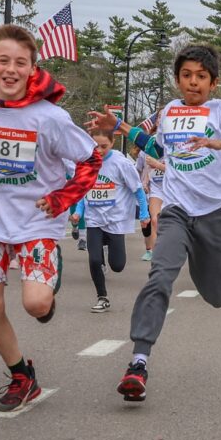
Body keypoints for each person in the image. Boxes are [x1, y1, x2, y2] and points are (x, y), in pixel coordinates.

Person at [86, 44, 221, 403]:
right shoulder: (169, 111)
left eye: (201, 76)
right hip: (176, 211)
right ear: (178, 79)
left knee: (216, 296)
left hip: (213, 214)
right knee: (160, 276)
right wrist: (119, 126)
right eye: (186, 75)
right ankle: (138, 362)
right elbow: (153, 145)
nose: (193, 82)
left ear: (213, 82)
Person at [0, 24, 101, 412]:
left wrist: (62, 197)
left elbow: (91, 158)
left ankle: (46, 296)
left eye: (21, 63)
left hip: (36, 224)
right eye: (4, 61)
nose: (11, 70)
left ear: (33, 68)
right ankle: (21, 375)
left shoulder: (50, 117)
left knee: (35, 304)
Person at [71, 129, 148, 313]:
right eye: (95, 146)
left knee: (118, 265)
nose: (99, 150)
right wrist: (78, 212)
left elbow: (137, 190)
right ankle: (102, 297)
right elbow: (83, 191)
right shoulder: (86, 163)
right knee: (95, 260)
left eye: (104, 146)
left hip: (115, 220)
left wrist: (144, 214)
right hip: (94, 219)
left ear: (112, 143)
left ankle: (106, 245)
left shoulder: (120, 163)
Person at [135, 149, 167, 261]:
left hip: (172, 190)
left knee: (169, 222)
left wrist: (158, 165)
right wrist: (144, 183)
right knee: (153, 221)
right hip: (155, 190)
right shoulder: (145, 151)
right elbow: (144, 170)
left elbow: (178, 171)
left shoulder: (174, 146)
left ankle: (168, 248)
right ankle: (153, 252)